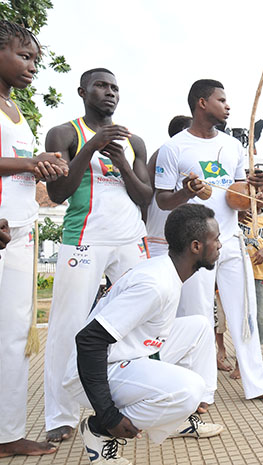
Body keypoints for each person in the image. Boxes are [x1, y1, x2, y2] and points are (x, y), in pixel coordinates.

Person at [155, 79, 263, 404]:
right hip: (195, 247)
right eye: (221, 100)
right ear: (202, 103)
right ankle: (201, 391)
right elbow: (162, 201)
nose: (228, 106)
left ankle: (256, 383)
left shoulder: (233, 147)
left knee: (245, 313)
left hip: (230, 240)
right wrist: (188, 191)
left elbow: (238, 196)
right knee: (197, 317)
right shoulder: (175, 148)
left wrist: (253, 188)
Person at [65, 204, 223, 464]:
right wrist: (109, 416)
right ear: (196, 246)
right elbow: (89, 340)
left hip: (129, 356)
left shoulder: (168, 271)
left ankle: (178, 418)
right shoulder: (155, 284)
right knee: (188, 389)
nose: (219, 244)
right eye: (215, 239)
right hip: (95, 371)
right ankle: (99, 431)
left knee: (199, 327)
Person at [43, 68, 152, 442]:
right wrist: (91, 146)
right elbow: (58, 193)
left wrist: (121, 162)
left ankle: (128, 402)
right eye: (102, 86)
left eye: (115, 88)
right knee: (68, 325)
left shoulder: (134, 139)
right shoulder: (64, 133)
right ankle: (61, 415)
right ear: (83, 91)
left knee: (135, 322)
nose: (110, 93)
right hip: (84, 239)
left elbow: (145, 197)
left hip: (129, 241)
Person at [0, 20, 69, 458]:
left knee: (13, 337)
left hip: (21, 231)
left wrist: (41, 166)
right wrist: (29, 164)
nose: (31, 67)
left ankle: (7, 433)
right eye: (23, 56)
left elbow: (17, 163)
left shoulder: (16, 108)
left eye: (35, 60)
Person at [145, 115, 193, 257]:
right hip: (159, 234)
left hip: (181, 233)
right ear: (185, 130)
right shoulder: (163, 152)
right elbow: (146, 193)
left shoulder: (191, 155)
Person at [239, 181, 263, 346]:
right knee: (242, 315)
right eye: (257, 191)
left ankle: (257, 352)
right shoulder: (239, 214)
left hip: (260, 273)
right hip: (239, 273)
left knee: (260, 315)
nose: (262, 195)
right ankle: (241, 356)